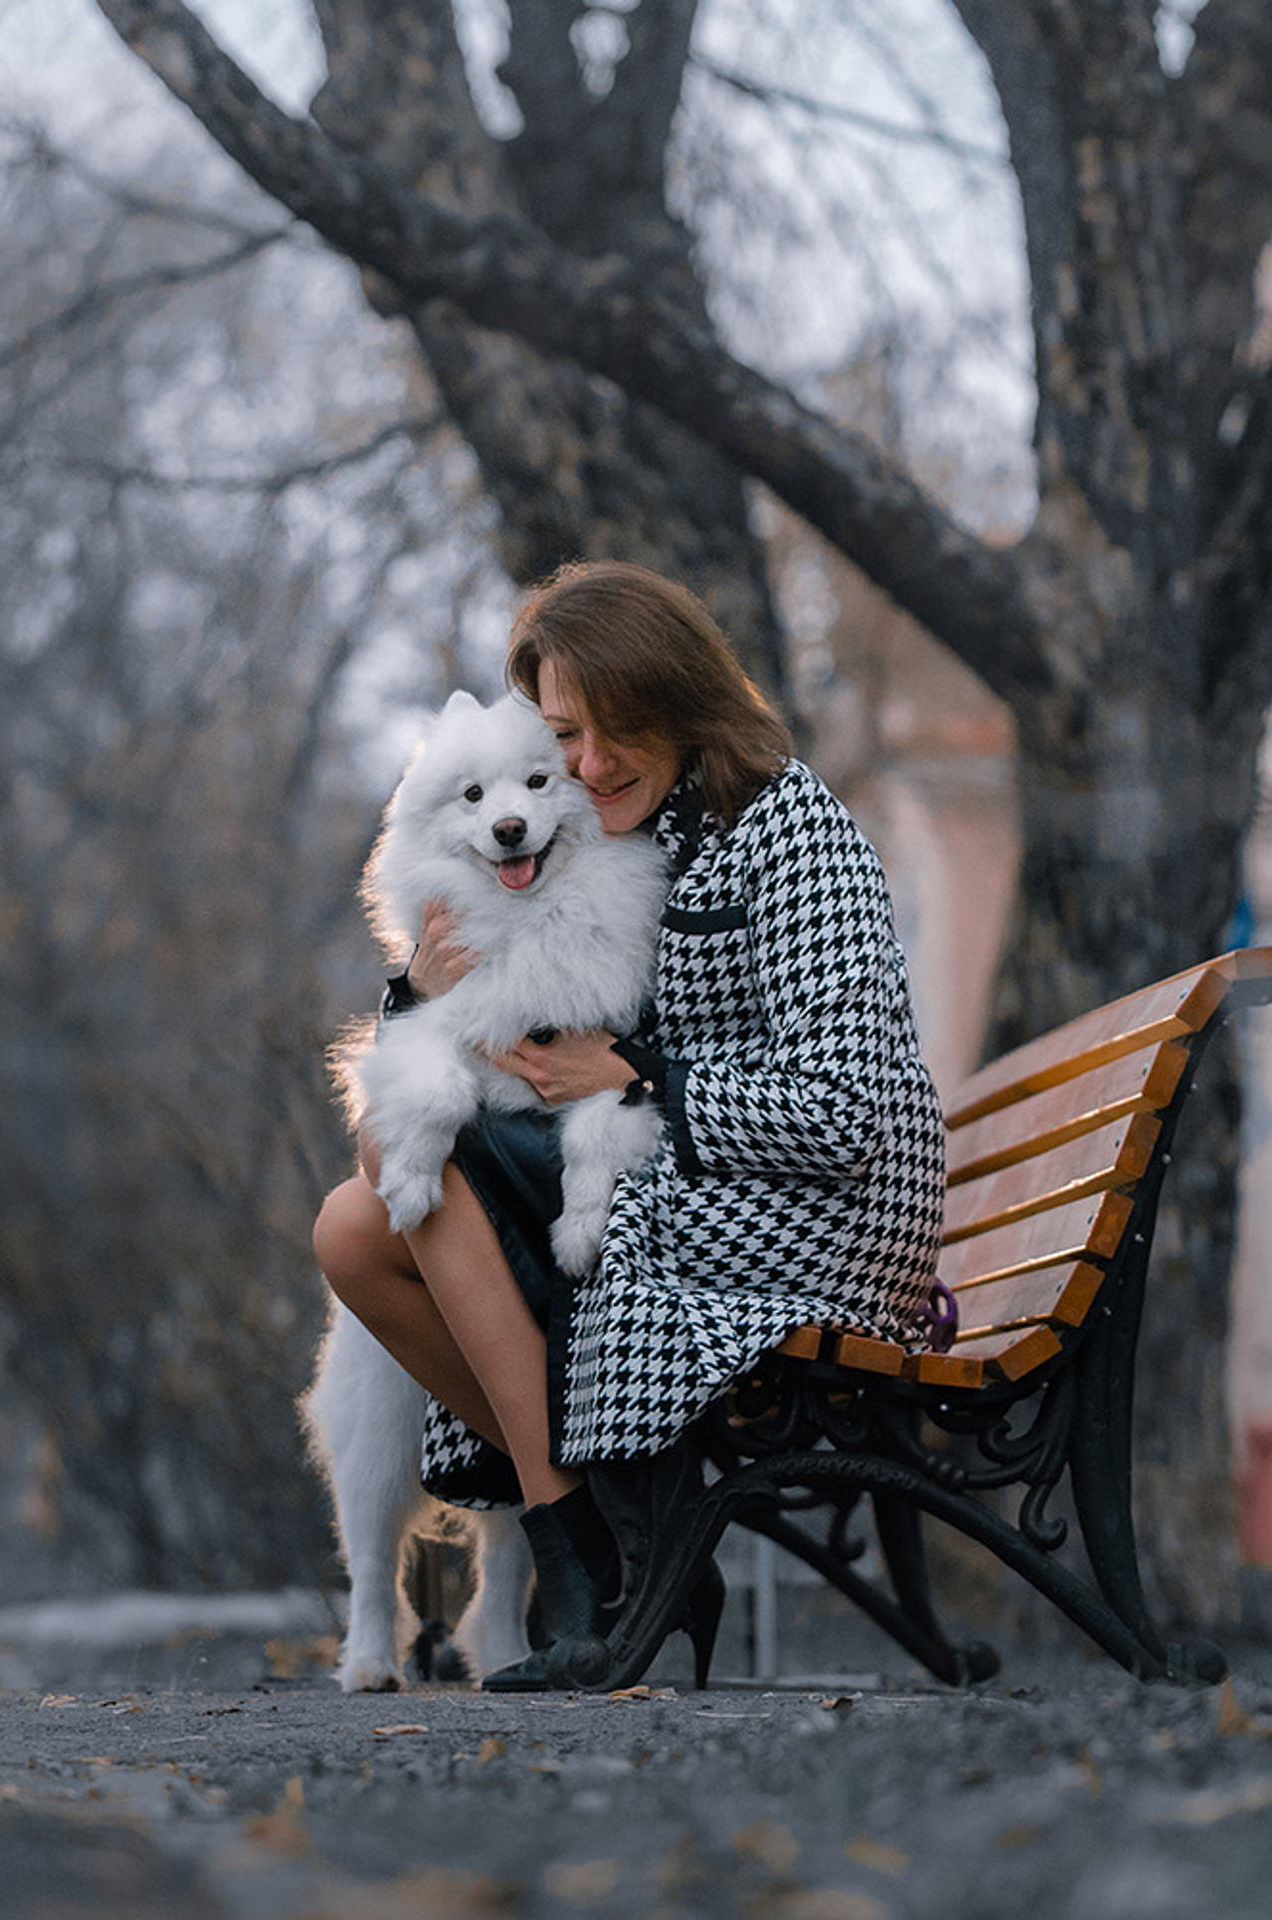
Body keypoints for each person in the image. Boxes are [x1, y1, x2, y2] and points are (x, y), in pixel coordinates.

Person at [312, 560, 946, 1691]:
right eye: (568, 736)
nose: (592, 763)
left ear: (685, 703)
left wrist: (640, 1071)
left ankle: (591, 1552)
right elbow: (515, 1016)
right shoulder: (615, 831)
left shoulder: (789, 827)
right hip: (681, 1181)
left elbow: (846, 1110)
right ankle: (600, 1534)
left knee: (432, 1176)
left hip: (815, 1217)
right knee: (357, 1225)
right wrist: (417, 991)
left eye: (622, 729)